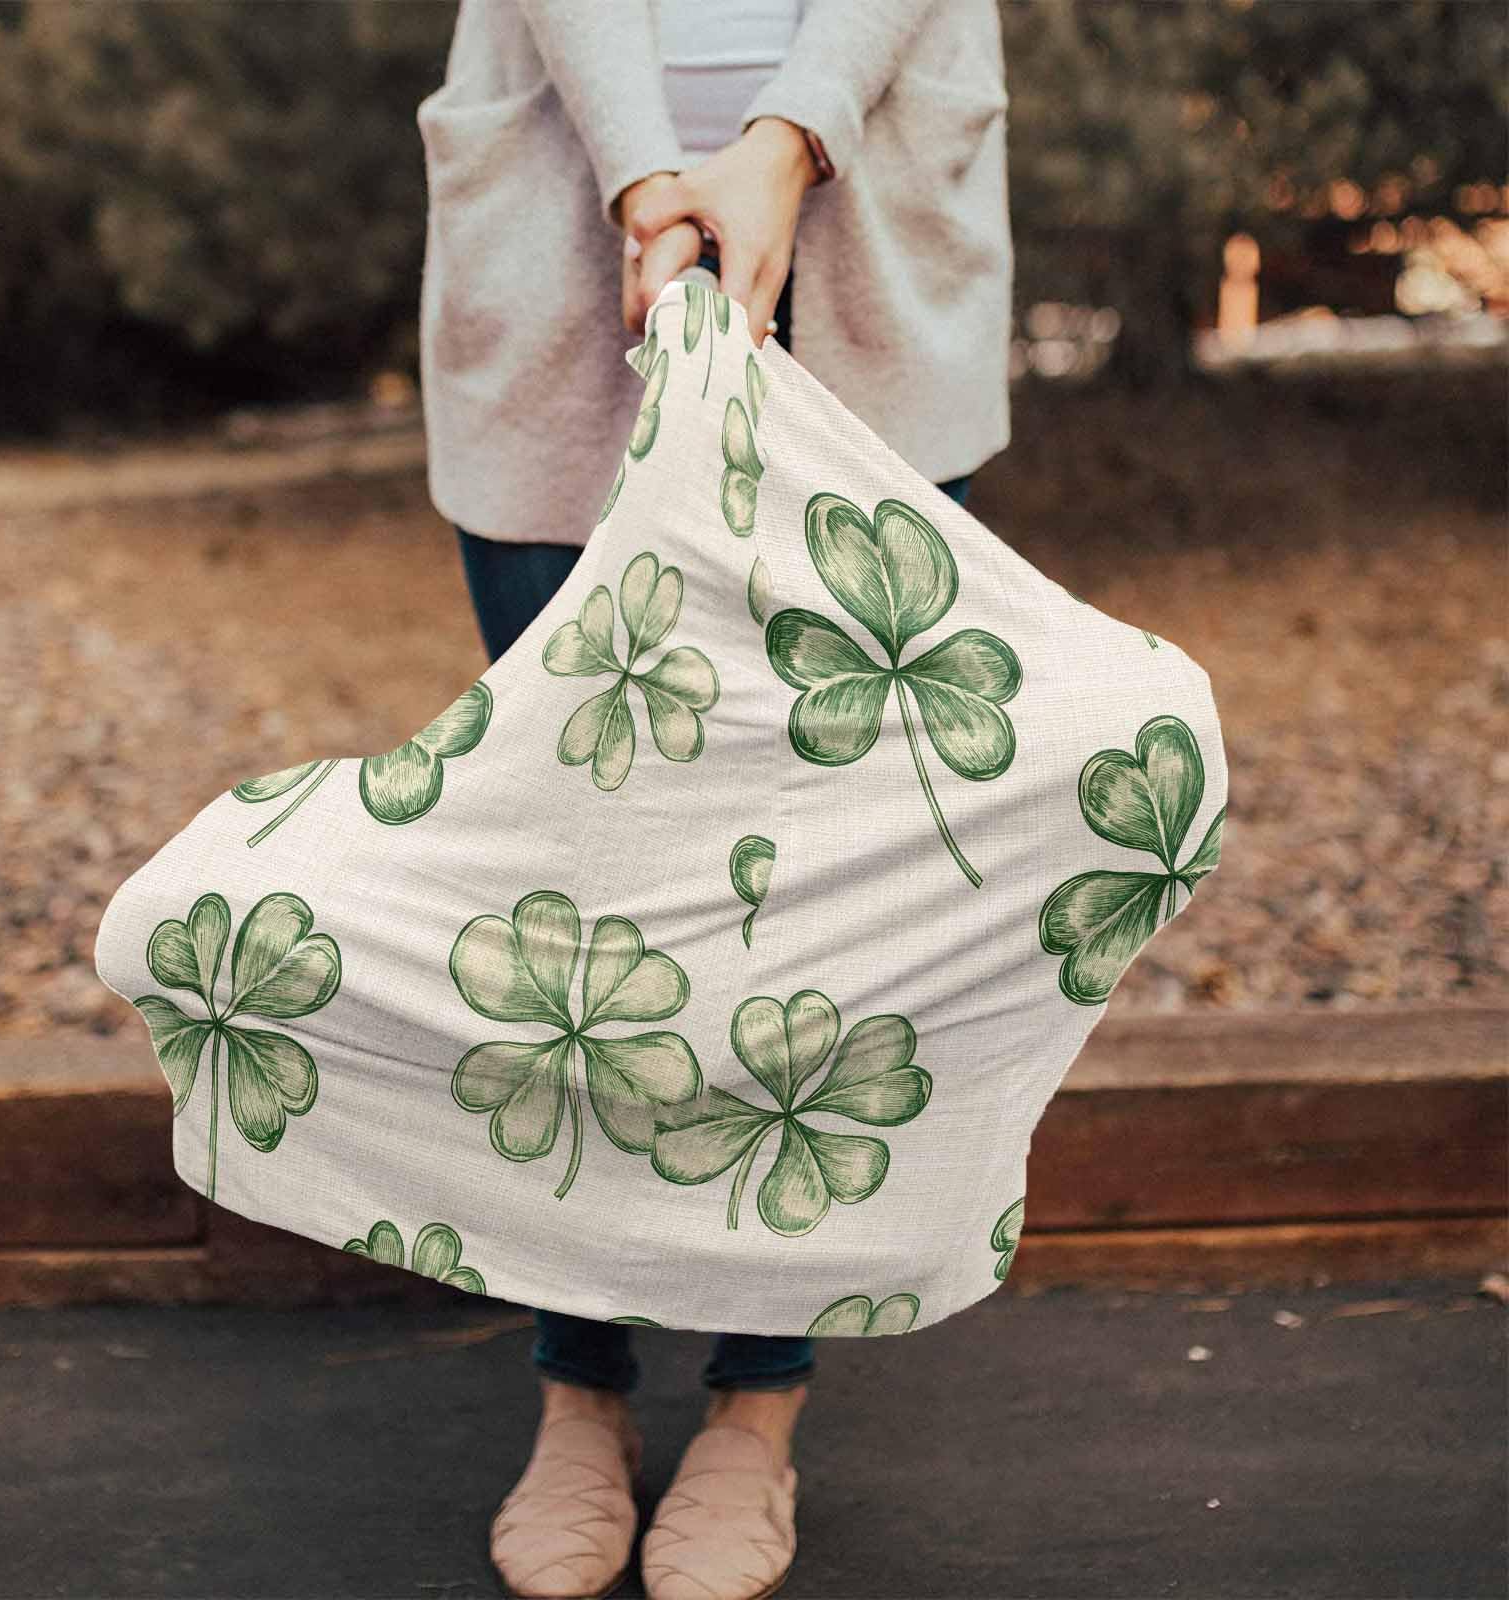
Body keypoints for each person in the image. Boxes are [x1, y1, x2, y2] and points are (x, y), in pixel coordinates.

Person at [414, 4, 1013, 1596]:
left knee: (823, 881)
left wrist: (786, 137)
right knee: (575, 872)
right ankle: (578, 1386)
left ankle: (758, 1404)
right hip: (564, 219)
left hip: (869, 217)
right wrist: (643, 177)